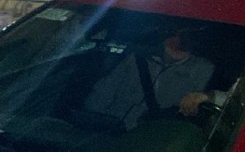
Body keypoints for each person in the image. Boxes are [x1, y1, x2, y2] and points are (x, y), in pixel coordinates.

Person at [83, 29, 220, 131]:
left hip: (150, 138)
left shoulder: (202, 69)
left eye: (187, 36)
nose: (181, 41)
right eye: (177, 34)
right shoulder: (137, 57)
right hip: (104, 130)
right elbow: (103, 92)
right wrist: (88, 123)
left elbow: (192, 111)